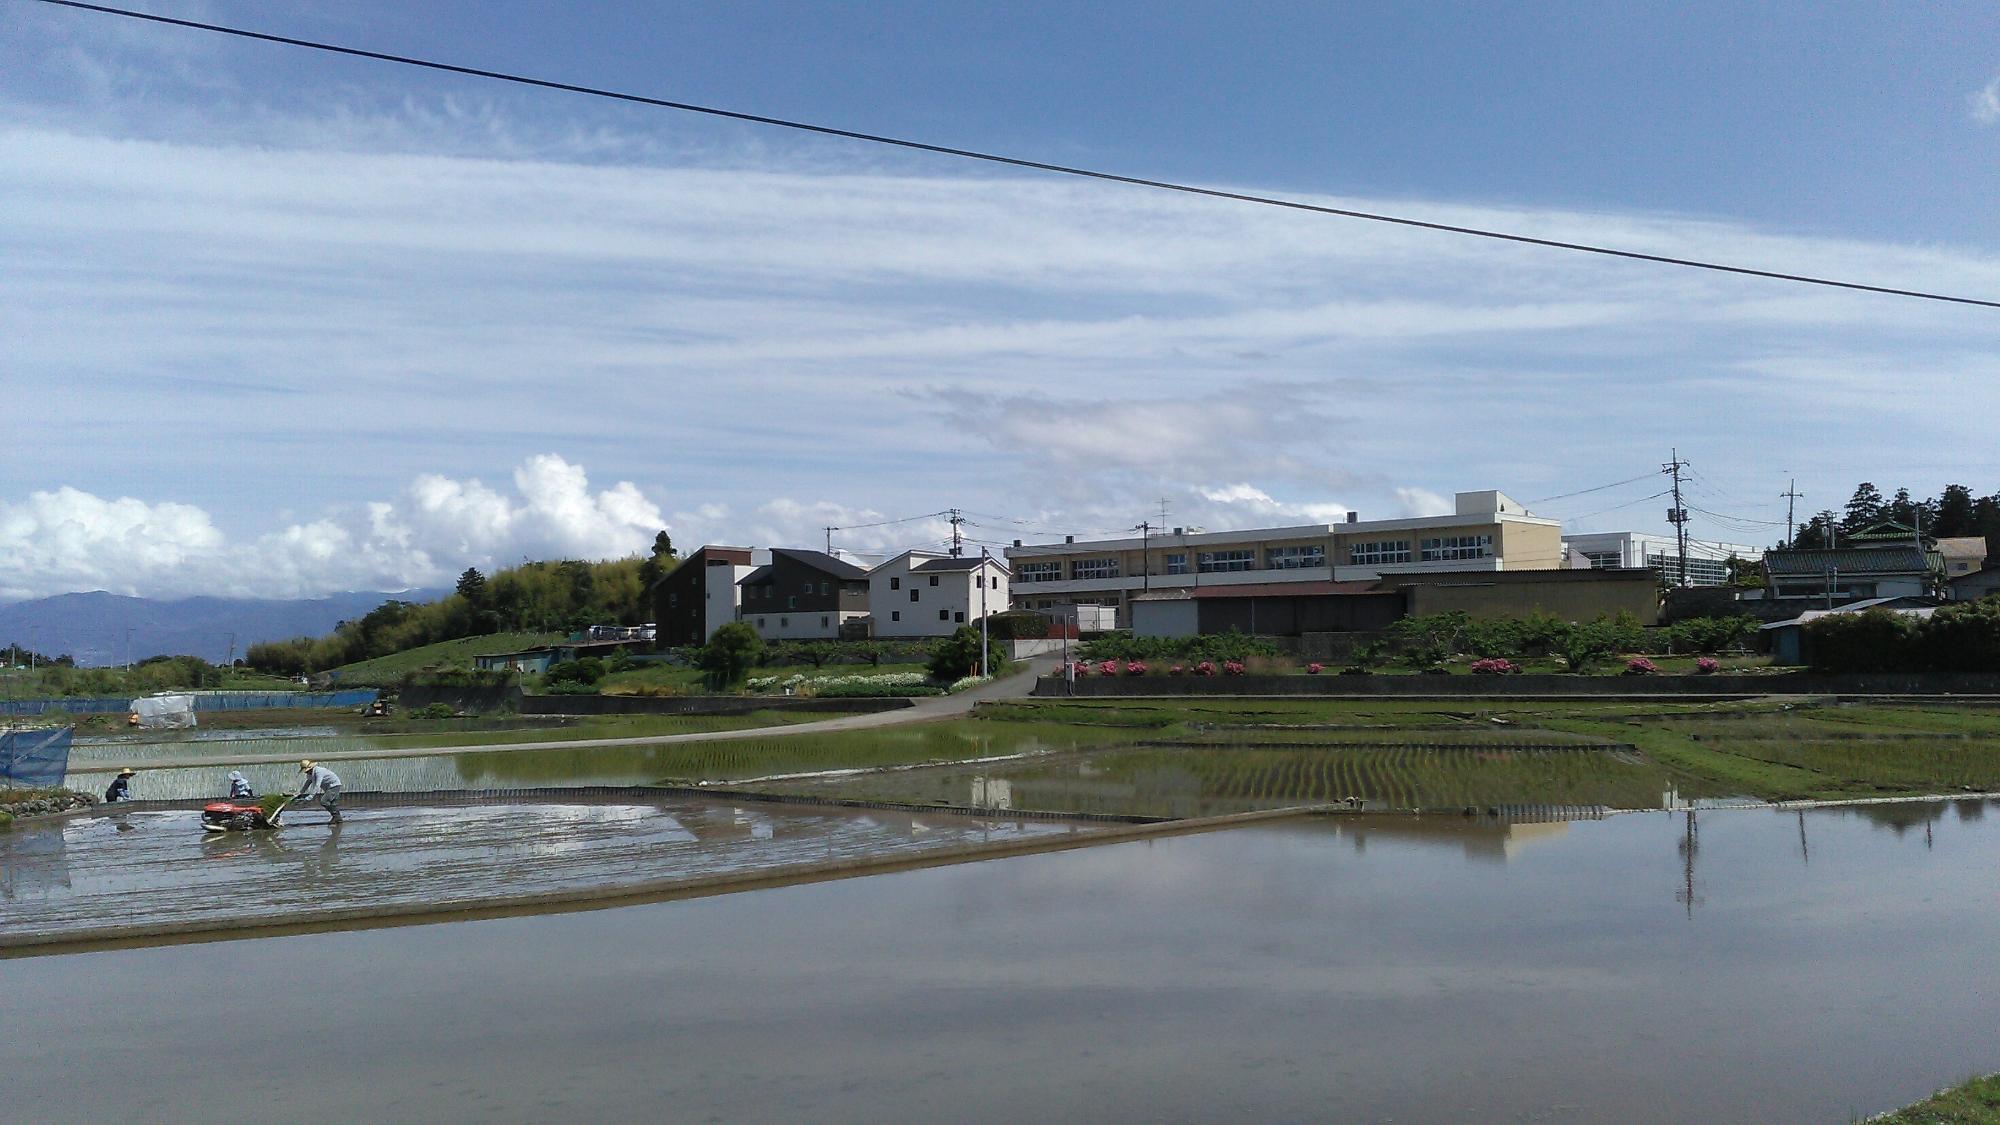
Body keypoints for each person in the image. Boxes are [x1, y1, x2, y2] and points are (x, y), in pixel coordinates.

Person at [294, 759, 343, 823]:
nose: (305, 772)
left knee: (324, 801)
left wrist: (310, 796)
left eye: (306, 771)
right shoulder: (310, 773)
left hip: (334, 785)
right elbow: (308, 783)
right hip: (329, 787)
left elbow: (317, 785)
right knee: (333, 804)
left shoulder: (318, 772)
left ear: (310, 768)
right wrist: (300, 793)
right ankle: (338, 818)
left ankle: (336, 816)